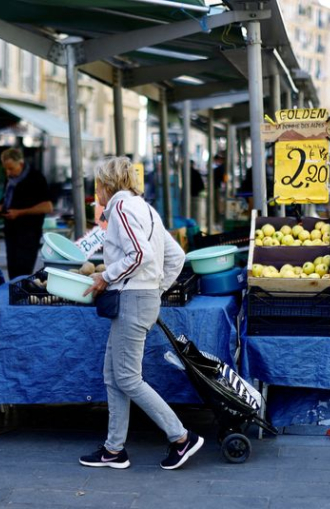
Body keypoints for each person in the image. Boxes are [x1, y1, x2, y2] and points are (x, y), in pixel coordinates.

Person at [80, 157, 203, 471]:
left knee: (127, 377)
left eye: (98, 185)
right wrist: (156, 287)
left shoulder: (121, 210)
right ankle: (113, 449)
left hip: (132, 299)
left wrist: (106, 276)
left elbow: (140, 255)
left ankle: (180, 437)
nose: (97, 192)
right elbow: (176, 256)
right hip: (142, 297)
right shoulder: (146, 209)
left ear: (107, 185)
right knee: (113, 375)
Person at [0, 148, 52, 279]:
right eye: (6, 169)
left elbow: (47, 207)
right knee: (12, 272)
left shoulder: (36, 178)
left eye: (11, 168)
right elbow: (6, 199)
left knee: (23, 272)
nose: (8, 172)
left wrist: (19, 213)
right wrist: (1, 208)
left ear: (20, 163)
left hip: (28, 234)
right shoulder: (10, 180)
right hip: (11, 231)